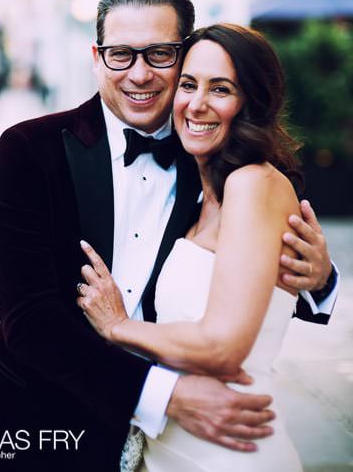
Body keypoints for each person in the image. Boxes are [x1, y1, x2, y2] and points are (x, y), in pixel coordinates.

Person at [0, 0, 337, 471]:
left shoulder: (224, 158)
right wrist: (164, 396)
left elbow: (256, 282)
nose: (140, 74)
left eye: (160, 54)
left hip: (170, 449)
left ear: (185, 55)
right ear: (96, 56)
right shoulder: (28, 150)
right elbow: (30, 321)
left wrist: (320, 280)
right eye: (121, 55)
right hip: (33, 428)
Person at [75, 23, 326, 471]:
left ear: (251, 101)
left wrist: (116, 326)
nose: (197, 103)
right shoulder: (199, 189)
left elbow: (223, 345)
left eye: (221, 88)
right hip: (167, 450)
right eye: (189, 84)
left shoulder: (254, 184)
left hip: (231, 448)